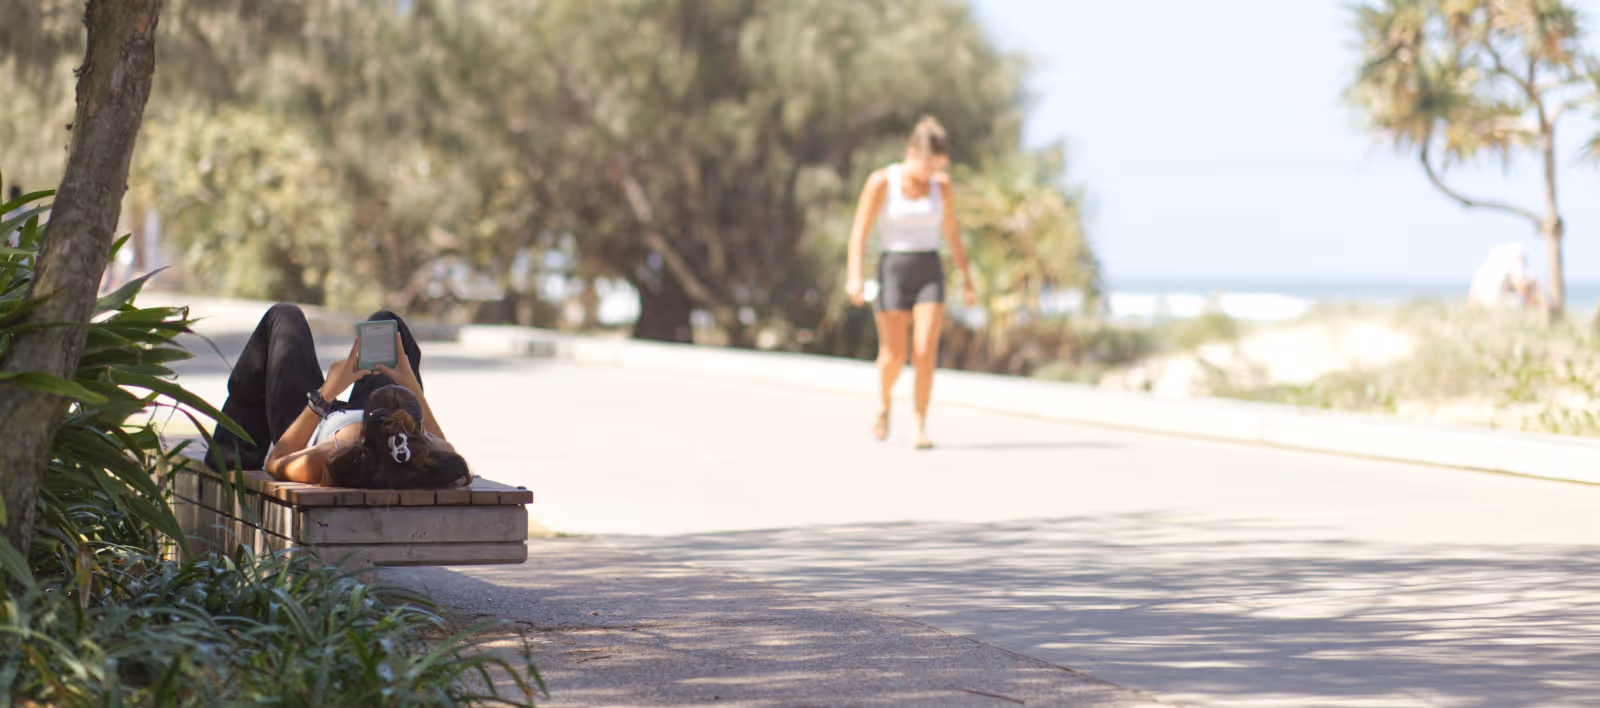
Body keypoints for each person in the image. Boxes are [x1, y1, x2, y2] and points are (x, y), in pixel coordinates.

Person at [205, 303, 471, 488]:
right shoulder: (425, 452)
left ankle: (232, 452)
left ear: (366, 431)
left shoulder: (341, 448)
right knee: (388, 323)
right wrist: (409, 383)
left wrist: (328, 392)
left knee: (283, 317)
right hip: (356, 420)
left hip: (310, 424)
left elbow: (278, 462)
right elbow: (447, 450)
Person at [844, 116, 976, 449]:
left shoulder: (941, 187)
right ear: (912, 152)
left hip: (929, 269)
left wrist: (968, 278)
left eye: (939, 167)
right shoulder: (882, 182)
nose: (933, 173)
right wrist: (854, 275)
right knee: (892, 354)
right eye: (929, 165)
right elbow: (859, 232)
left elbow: (952, 234)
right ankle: (884, 403)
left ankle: (918, 425)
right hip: (893, 268)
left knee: (924, 351)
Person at [1468, 242, 1546, 312]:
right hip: (1499, 304)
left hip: (1485, 304)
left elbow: (1472, 295)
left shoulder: (1481, 271)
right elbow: (1521, 287)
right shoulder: (1506, 268)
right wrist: (1533, 282)